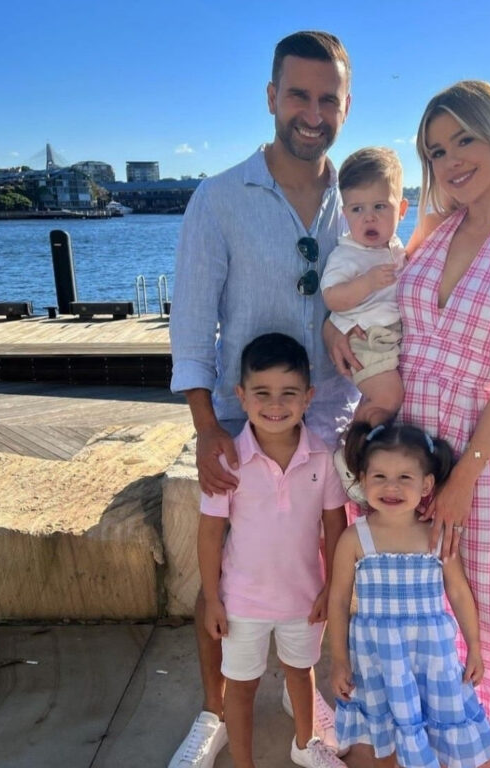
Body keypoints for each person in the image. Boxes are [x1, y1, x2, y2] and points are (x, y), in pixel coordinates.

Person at [324, 81, 490, 766]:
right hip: (399, 442)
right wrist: (330, 324)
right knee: (399, 619)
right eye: (437, 150)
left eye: (464, 138)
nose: (452, 159)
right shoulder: (433, 226)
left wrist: (464, 475)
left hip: (472, 450)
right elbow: (379, 297)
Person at [169, 30, 359, 768]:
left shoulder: (361, 201)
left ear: (346, 105)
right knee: (223, 574)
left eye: (328, 99)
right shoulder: (218, 199)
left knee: (317, 570)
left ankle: (312, 716)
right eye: (299, 95)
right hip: (236, 418)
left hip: (333, 421)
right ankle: (215, 712)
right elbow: (190, 324)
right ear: (272, 97)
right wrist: (205, 429)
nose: (313, 113)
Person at [199, 333, 348, 768]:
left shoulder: (323, 458)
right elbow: (209, 533)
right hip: (242, 602)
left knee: (301, 675)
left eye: (289, 393)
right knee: (241, 686)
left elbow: (335, 527)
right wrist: (212, 597)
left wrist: (331, 589)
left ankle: (306, 744)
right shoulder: (228, 461)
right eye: (262, 393)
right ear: (241, 397)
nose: (275, 404)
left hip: (304, 600)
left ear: (309, 397)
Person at [329, 422, 490, 768]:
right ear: (363, 479)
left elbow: (458, 591)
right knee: (387, 738)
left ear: (426, 485)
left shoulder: (436, 535)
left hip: (432, 657)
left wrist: (475, 647)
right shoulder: (354, 538)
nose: (391, 487)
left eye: (404, 478)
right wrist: (339, 660)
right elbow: (337, 600)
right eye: (379, 477)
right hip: (378, 659)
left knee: (436, 731)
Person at [321, 147, 408, 428]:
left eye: (379, 207)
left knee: (384, 401)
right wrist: (366, 283)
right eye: (357, 209)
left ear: (402, 210)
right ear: (345, 213)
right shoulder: (348, 254)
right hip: (364, 337)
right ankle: (353, 455)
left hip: (387, 337)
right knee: (388, 397)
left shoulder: (394, 248)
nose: (368, 217)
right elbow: (332, 296)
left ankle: (365, 447)